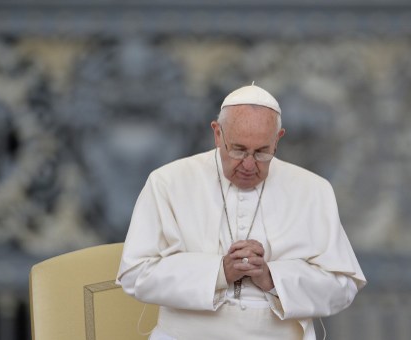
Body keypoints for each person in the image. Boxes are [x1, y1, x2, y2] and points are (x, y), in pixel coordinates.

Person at [116, 84, 366, 340]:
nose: (248, 164)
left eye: (261, 152)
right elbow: (134, 274)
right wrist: (219, 272)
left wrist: (273, 278)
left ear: (278, 139)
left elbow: (342, 285)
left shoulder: (313, 190)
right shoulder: (167, 182)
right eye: (238, 149)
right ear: (217, 134)